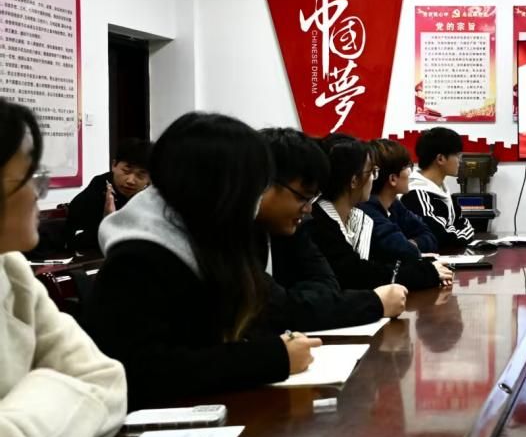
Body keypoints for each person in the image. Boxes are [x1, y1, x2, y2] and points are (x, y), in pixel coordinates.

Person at [84, 113, 319, 408]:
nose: (256, 200)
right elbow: (143, 372)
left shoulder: (209, 238)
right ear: (218, 187)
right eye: (254, 187)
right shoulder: (138, 260)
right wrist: (272, 358)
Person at [0, 99, 126, 437]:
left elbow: (108, 380)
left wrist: (34, 399)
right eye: (32, 179)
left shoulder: (11, 270)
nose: (42, 194)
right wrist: (58, 385)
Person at [256, 128, 406, 330]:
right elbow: (281, 309)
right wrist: (375, 302)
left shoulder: (295, 227)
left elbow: (327, 285)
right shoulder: (232, 242)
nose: (308, 208)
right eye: (302, 197)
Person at [308, 134, 450, 292]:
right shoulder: (317, 223)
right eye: (371, 172)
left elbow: (368, 269)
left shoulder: (358, 217)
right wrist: (425, 272)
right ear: (354, 181)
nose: (374, 178)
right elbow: (355, 275)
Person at [359, 139, 441, 269]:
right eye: (407, 166)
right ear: (393, 179)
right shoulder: (367, 210)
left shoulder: (394, 204)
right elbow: (403, 250)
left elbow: (429, 236)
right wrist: (410, 246)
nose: (410, 172)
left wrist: (411, 244)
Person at [64, 138, 151, 252]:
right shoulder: (97, 190)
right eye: (126, 171)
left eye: (140, 175)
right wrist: (107, 223)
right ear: (114, 165)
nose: (131, 181)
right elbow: (74, 240)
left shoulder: (150, 197)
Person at [402, 127, 475, 250]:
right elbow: (441, 237)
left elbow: (466, 225)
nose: (460, 161)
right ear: (440, 159)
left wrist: (457, 232)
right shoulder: (416, 195)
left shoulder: (442, 189)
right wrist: (459, 232)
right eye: (457, 155)